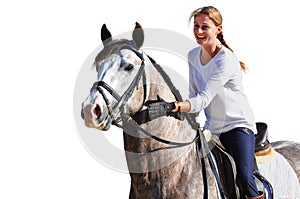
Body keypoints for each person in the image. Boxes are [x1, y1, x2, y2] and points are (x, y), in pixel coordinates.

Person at [147, 6, 264, 199]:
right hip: (213, 129)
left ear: (218, 29)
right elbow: (193, 94)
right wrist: (175, 115)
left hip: (237, 127)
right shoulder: (193, 55)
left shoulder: (226, 60)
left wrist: (174, 106)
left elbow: (203, 99)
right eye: (196, 26)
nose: (199, 32)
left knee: (244, 177)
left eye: (205, 27)